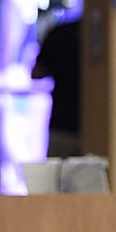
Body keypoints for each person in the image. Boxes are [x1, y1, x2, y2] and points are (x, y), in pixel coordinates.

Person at [31, 16, 81, 158]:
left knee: (57, 176)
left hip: (61, 123)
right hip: (95, 123)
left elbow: (37, 73)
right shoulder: (102, 33)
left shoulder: (60, 33)